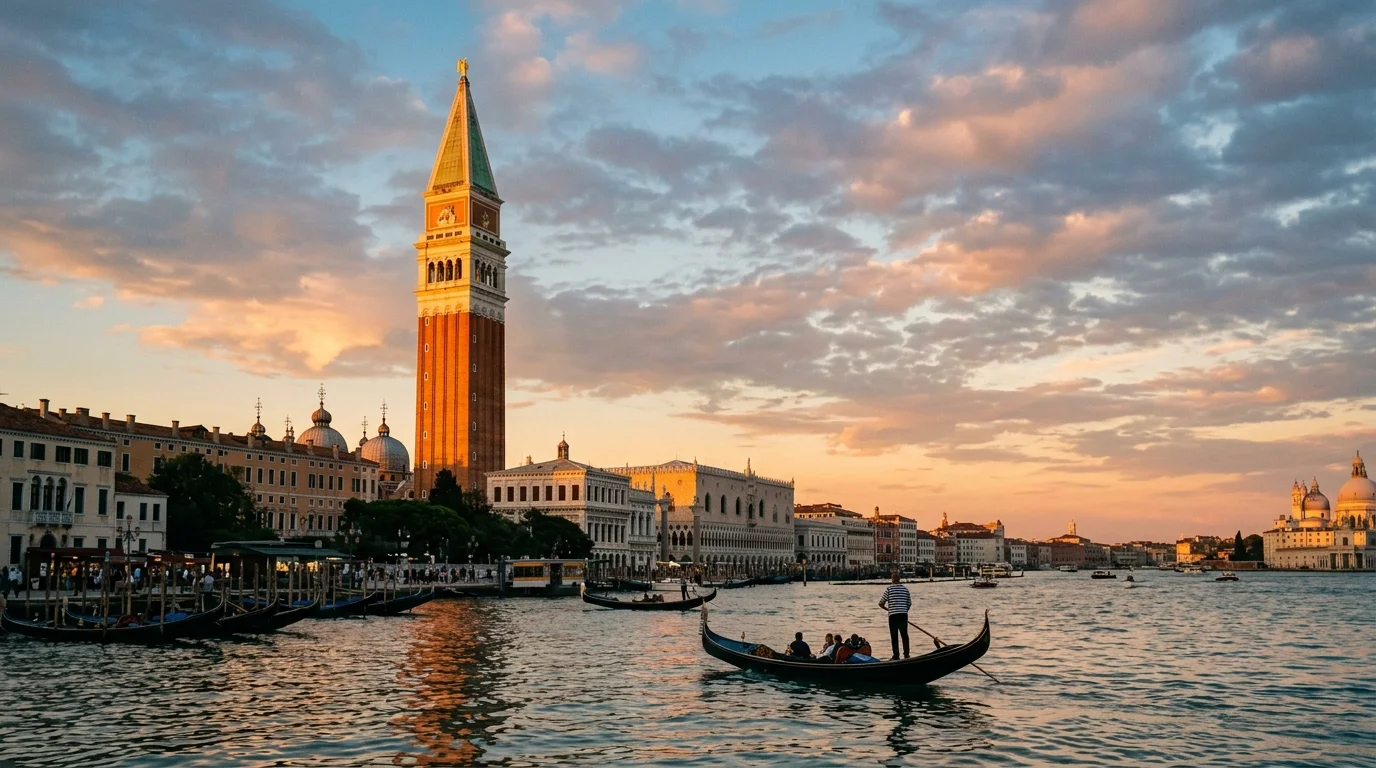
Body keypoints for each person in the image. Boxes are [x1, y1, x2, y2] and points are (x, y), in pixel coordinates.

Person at [878, 572, 911, 660]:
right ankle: (906, 655)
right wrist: (903, 610)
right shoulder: (905, 589)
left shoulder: (889, 589)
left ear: (892, 579)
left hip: (893, 615)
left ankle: (896, 656)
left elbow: (881, 603)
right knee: (904, 635)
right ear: (899, 579)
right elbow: (909, 603)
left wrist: (889, 610)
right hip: (903, 615)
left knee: (894, 636)